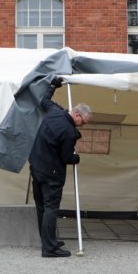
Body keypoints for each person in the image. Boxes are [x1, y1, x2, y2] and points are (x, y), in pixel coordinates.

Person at [29, 77, 93, 258]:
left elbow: (44, 101)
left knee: (41, 207)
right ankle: (49, 248)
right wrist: (77, 158)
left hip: (36, 166)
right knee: (50, 208)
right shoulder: (69, 132)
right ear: (77, 115)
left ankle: (47, 240)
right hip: (52, 174)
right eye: (84, 122)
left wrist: (53, 86)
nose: (83, 126)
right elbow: (66, 157)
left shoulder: (55, 112)